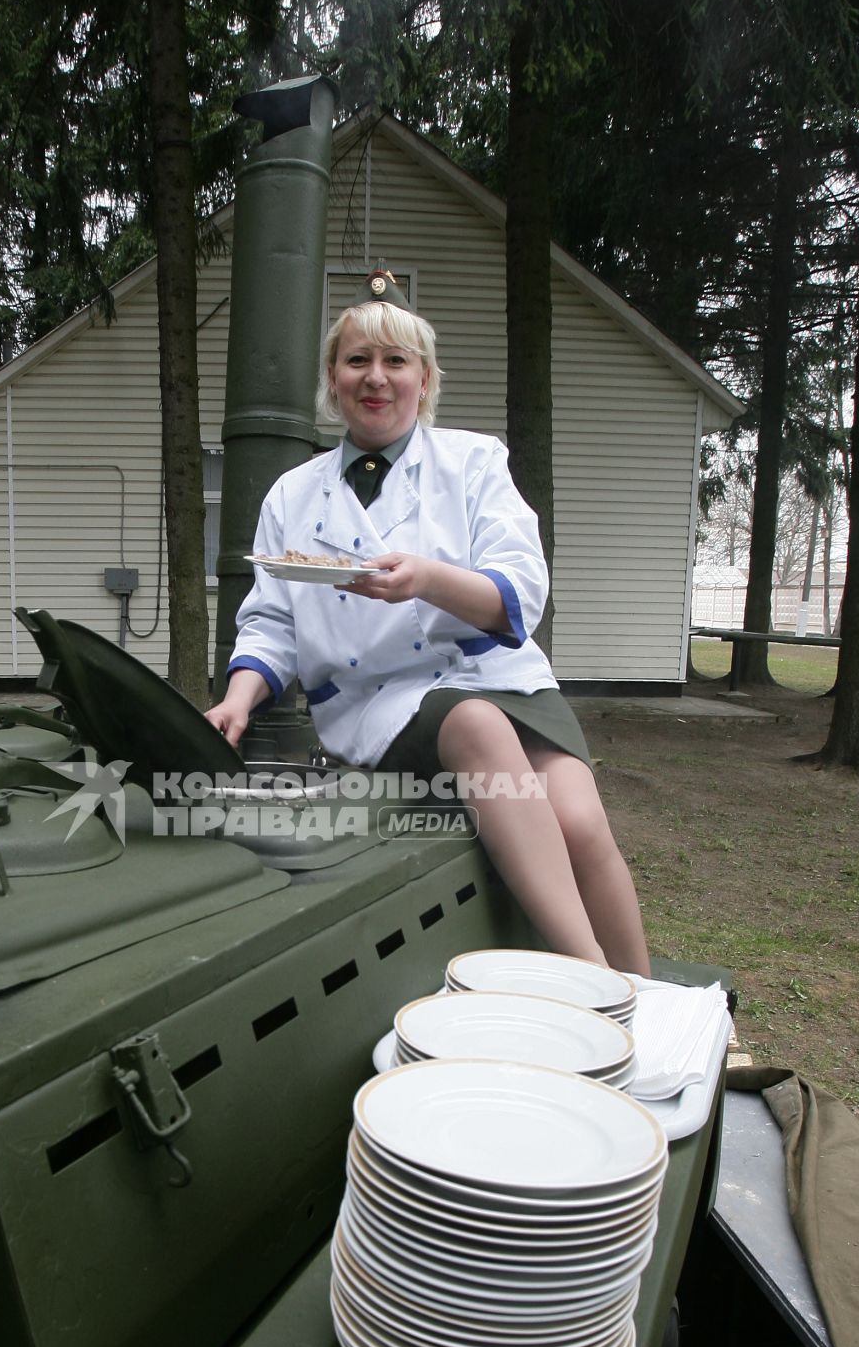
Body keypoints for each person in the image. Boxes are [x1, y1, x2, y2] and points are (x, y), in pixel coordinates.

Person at [206, 271, 650, 974]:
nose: (375, 378)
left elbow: (522, 592)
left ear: (425, 377)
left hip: (501, 678)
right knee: (473, 724)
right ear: (332, 377)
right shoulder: (293, 493)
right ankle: (596, 980)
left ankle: (646, 999)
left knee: (579, 820)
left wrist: (428, 579)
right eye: (357, 361)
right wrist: (238, 698)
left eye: (395, 361)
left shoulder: (474, 463)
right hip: (380, 702)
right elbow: (269, 622)